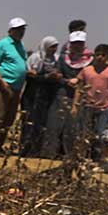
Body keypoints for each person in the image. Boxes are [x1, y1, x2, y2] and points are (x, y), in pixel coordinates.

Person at [41, 28, 92, 158]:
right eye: (75, 43)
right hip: (62, 93)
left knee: (75, 125)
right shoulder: (63, 58)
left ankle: (72, 154)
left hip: (80, 95)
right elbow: (57, 74)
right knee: (55, 123)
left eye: (80, 43)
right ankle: (50, 152)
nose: (77, 46)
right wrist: (66, 81)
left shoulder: (90, 59)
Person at [73, 44, 108, 170]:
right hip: (88, 106)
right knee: (84, 135)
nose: (100, 57)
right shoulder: (87, 70)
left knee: (103, 136)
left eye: (103, 55)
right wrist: (75, 105)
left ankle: (103, 162)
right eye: (97, 54)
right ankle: (82, 160)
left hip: (106, 107)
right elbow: (79, 88)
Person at [0, 17, 28, 156]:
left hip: (16, 88)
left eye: (23, 29)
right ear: (11, 30)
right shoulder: (3, 44)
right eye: (18, 29)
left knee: (9, 119)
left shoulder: (21, 46)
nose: (21, 32)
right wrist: (2, 83)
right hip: (2, 87)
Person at [19, 36, 61, 156]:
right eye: (52, 47)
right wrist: (43, 77)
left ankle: (38, 149)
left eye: (55, 47)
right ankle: (26, 149)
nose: (54, 49)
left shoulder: (56, 59)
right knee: (29, 121)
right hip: (32, 94)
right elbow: (28, 73)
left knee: (42, 122)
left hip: (47, 95)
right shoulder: (35, 58)